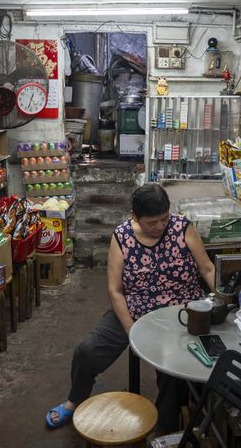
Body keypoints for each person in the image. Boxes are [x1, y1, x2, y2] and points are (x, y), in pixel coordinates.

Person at [46, 183, 215, 431]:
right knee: (88, 351)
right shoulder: (122, 236)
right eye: (152, 222)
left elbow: (208, 269)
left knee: (172, 369)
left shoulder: (182, 228)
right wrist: (132, 331)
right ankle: (74, 400)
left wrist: (221, 299)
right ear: (134, 216)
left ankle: (162, 436)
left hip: (180, 311)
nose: (159, 227)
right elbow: (115, 291)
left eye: (164, 219)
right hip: (136, 307)